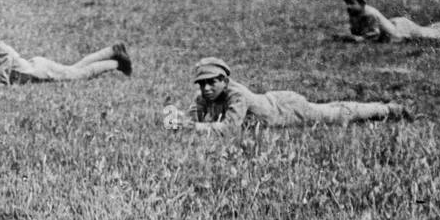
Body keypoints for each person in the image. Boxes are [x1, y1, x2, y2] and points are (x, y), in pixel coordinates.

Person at [175, 57, 408, 136]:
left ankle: (386, 110)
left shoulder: (237, 95)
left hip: (285, 109)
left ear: (224, 80)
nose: (206, 88)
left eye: (211, 82)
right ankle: (386, 108)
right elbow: (193, 115)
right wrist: (178, 120)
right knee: (331, 109)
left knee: (335, 113)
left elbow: (229, 129)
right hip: (274, 101)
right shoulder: (205, 95)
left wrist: (193, 127)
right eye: (202, 83)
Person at [0, 22, 131, 85]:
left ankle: (117, 63)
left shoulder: (2, 54)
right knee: (74, 68)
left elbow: (0, 80)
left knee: (80, 74)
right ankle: (112, 51)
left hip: (40, 73)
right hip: (36, 64)